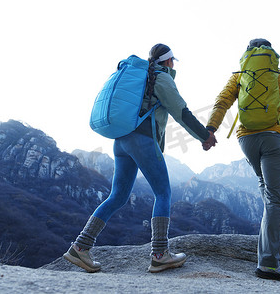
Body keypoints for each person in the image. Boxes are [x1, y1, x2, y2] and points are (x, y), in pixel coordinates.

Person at [63, 43, 217, 273]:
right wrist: (205, 136)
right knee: (163, 192)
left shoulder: (141, 78)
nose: (173, 65)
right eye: (173, 61)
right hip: (142, 141)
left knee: (118, 196)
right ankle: (160, 254)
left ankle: (81, 247)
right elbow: (181, 112)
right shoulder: (162, 79)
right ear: (168, 61)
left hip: (121, 140)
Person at [204, 38, 280, 281]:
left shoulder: (240, 75)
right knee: (275, 201)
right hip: (272, 138)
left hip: (246, 140)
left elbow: (222, 101)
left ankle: (265, 252)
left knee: (266, 190)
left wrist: (210, 129)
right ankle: (268, 264)